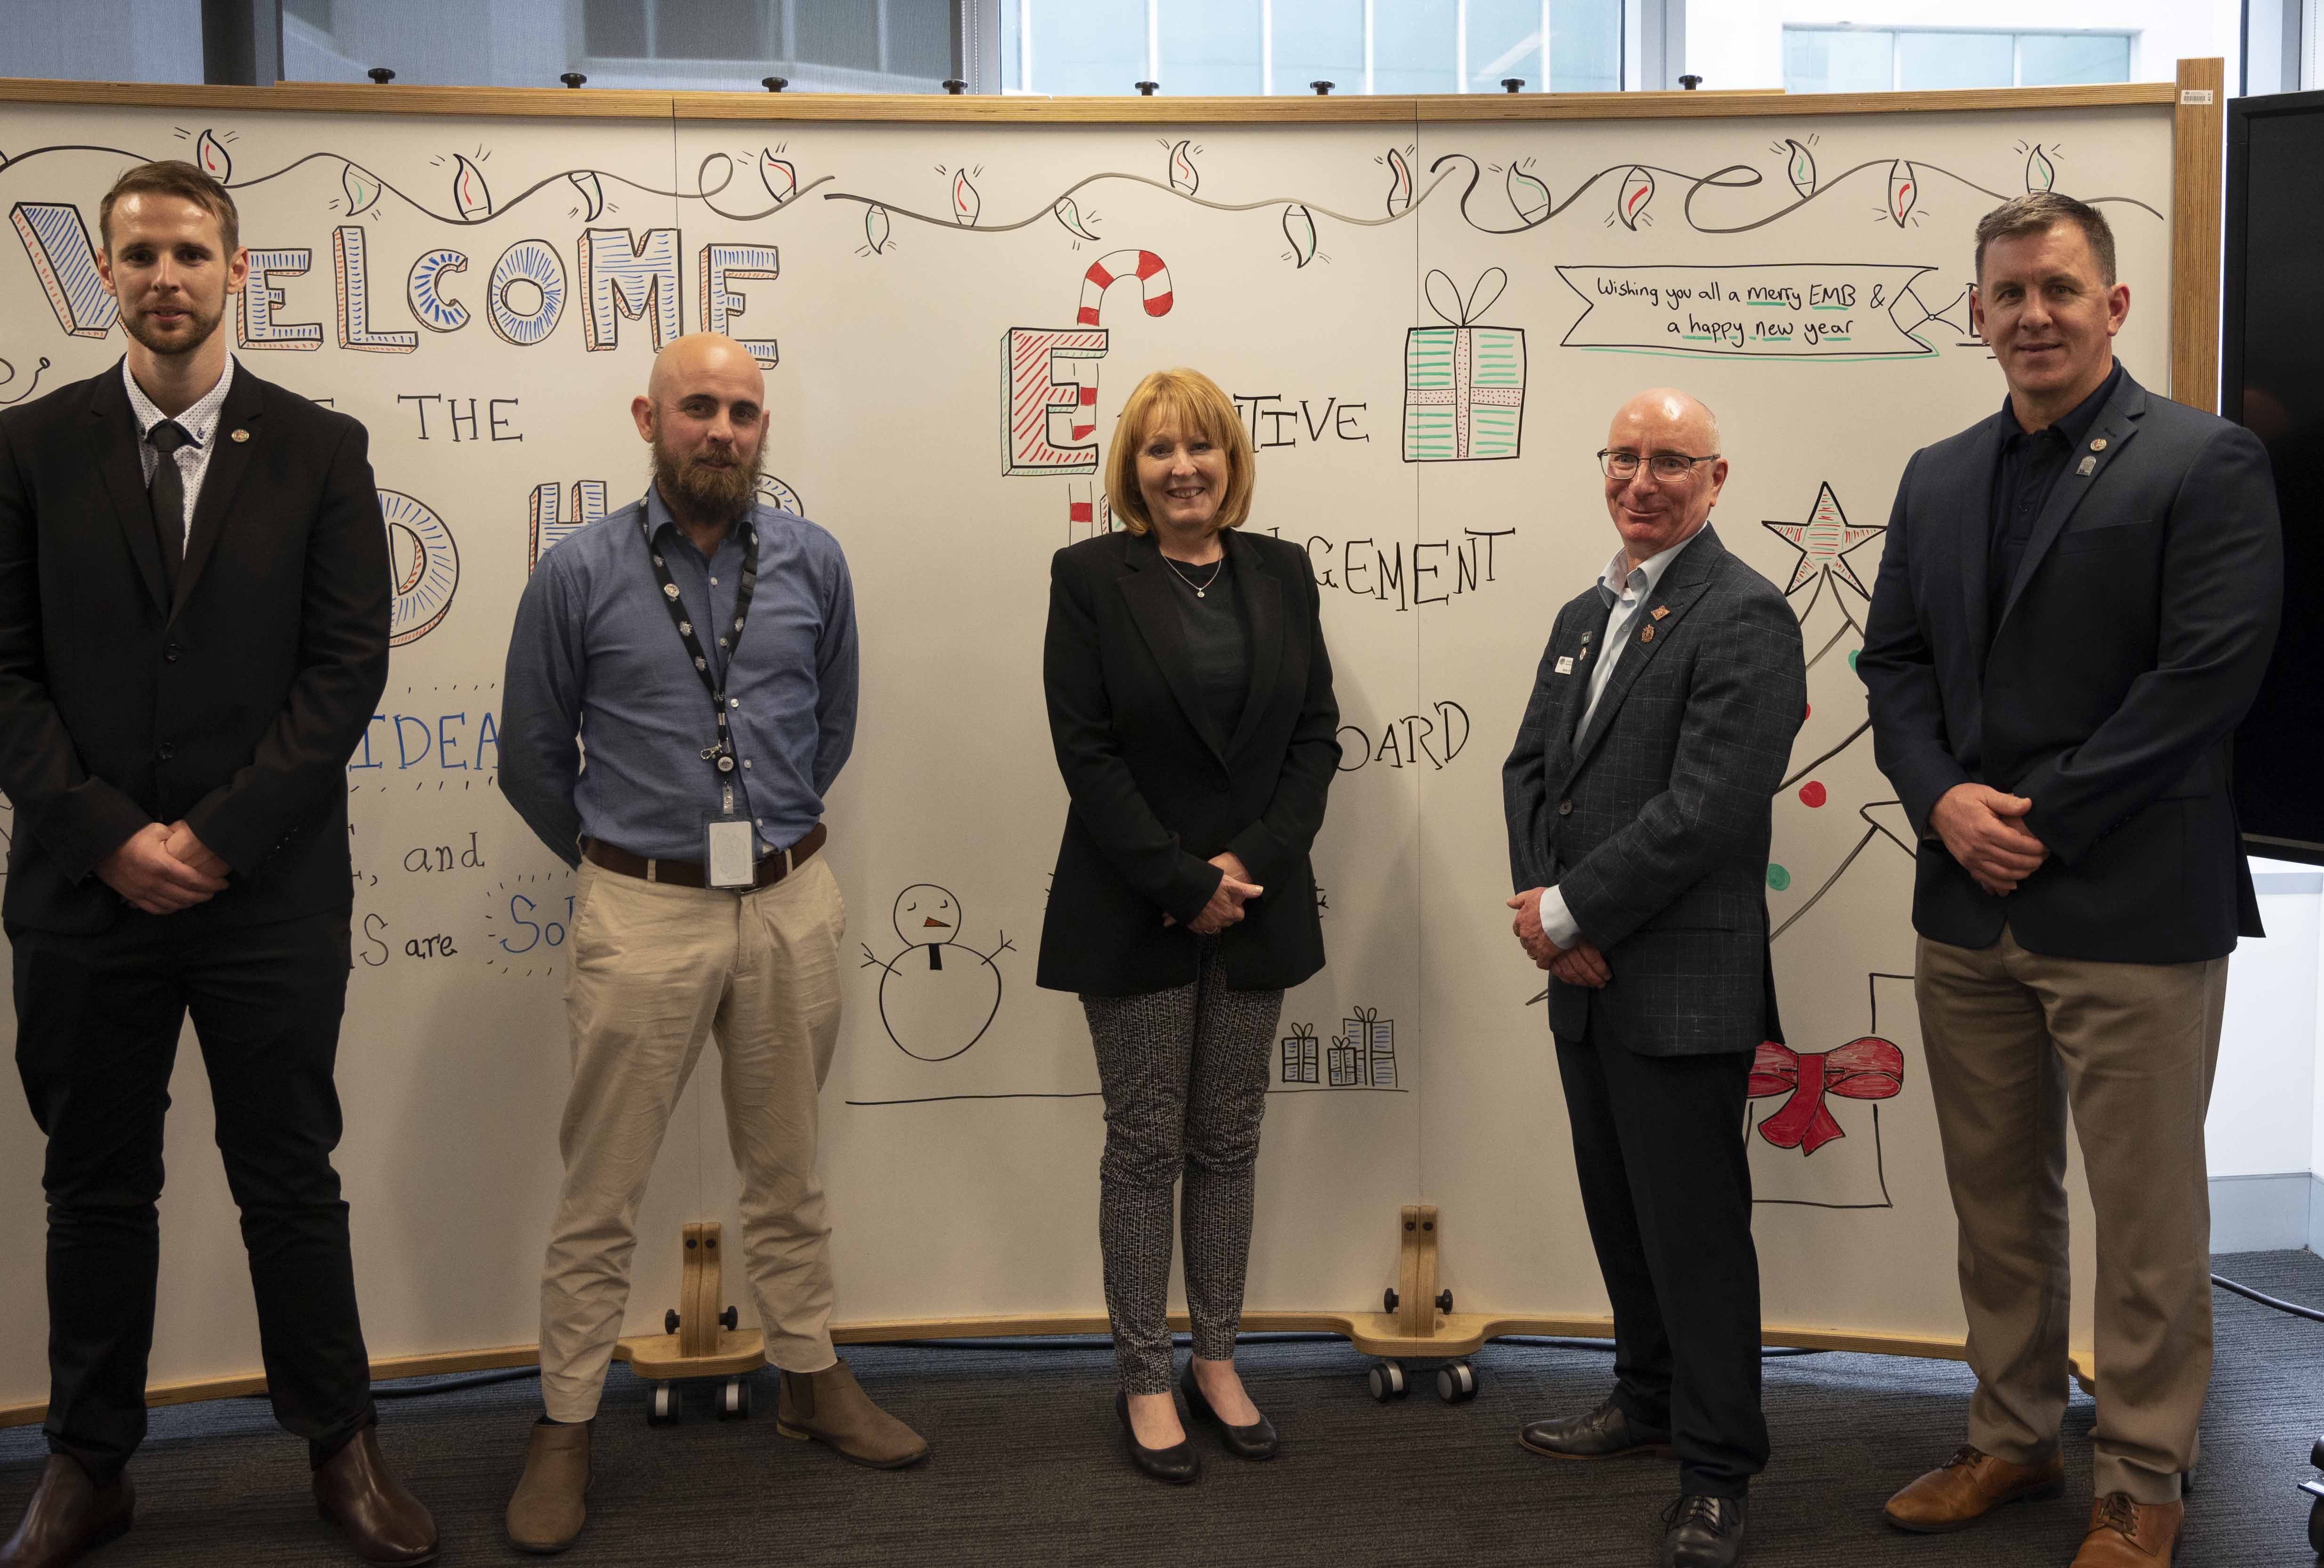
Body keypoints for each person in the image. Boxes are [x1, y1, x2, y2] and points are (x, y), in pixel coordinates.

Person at [0, 161, 435, 1568]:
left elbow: (346, 668)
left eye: (190, 251)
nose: (165, 276)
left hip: (271, 898)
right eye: (140, 256)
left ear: (237, 269)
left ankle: (341, 1445)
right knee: (95, 1186)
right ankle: (87, 1462)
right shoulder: (27, 449)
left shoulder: (322, 448)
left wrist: (216, 839)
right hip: (83, 895)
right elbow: (3, 672)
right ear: (106, 278)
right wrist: (110, 835)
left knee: (290, 1177)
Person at [1860, 193, 2281, 1568]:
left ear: (2112, 304)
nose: (2031, 314)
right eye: (2006, 293)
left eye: (2057, 288)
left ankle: (2147, 1477)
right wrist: (1940, 801)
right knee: (1997, 1200)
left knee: (2147, 1217)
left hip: (2130, 902)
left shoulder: (2202, 460)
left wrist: (2034, 817)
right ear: (1976, 314)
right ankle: (2013, 1433)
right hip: (1966, 900)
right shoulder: (1933, 475)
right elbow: (1896, 667)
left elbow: (2209, 674)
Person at [497, 333, 924, 1554]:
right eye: (699, 407)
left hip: (789, 897)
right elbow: (533, 754)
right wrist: (628, 854)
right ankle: (566, 1420)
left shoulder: (813, 562)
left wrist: (764, 833)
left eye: (743, 411)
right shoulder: (576, 572)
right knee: (601, 1190)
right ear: (649, 416)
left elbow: (829, 723)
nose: (723, 430)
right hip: (640, 908)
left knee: (788, 1168)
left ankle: (809, 1377)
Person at [1502, 390, 1805, 1568]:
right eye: (1623, 457)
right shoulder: (1589, 611)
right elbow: (1532, 770)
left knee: (1694, 1237)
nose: (1641, 479)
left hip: (1680, 984)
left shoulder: (1745, 614)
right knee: (1618, 1214)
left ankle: (1720, 1469)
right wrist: (1545, 913)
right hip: (1582, 974)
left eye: (1669, 461)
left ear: (1715, 479)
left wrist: (1574, 908)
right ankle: (1642, 1397)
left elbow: (1709, 807)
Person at [1037, 367, 1339, 1483]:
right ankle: (1144, 1373)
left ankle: (1217, 1358)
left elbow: (1315, 736)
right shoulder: (1088, 578)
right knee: (1144, 1149)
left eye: (1200, 447)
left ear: (1229, 462)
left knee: (1227, 1144)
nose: (1182, 468)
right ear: (1132, 469)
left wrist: (1246, 864)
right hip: (1135, 907)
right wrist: (1179, 879)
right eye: (1159, 449)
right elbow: (1086, 752)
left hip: (1253, 907)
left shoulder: (1281, 574)